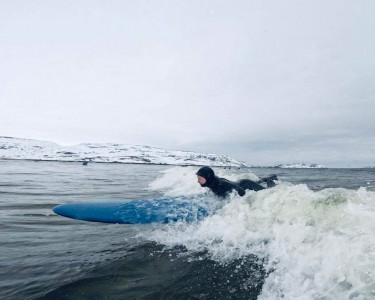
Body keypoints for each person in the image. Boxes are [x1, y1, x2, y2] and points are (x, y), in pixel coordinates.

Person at [196, 166, 277, 198]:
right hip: (238, 183)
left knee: (268, 191)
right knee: (257, 183)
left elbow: (241, 191)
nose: (198, 181)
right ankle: (264, 179)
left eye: (200, 179)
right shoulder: (211, 183)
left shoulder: (221, 183)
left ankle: (270, 180)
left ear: (208, 177)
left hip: (246, 184)